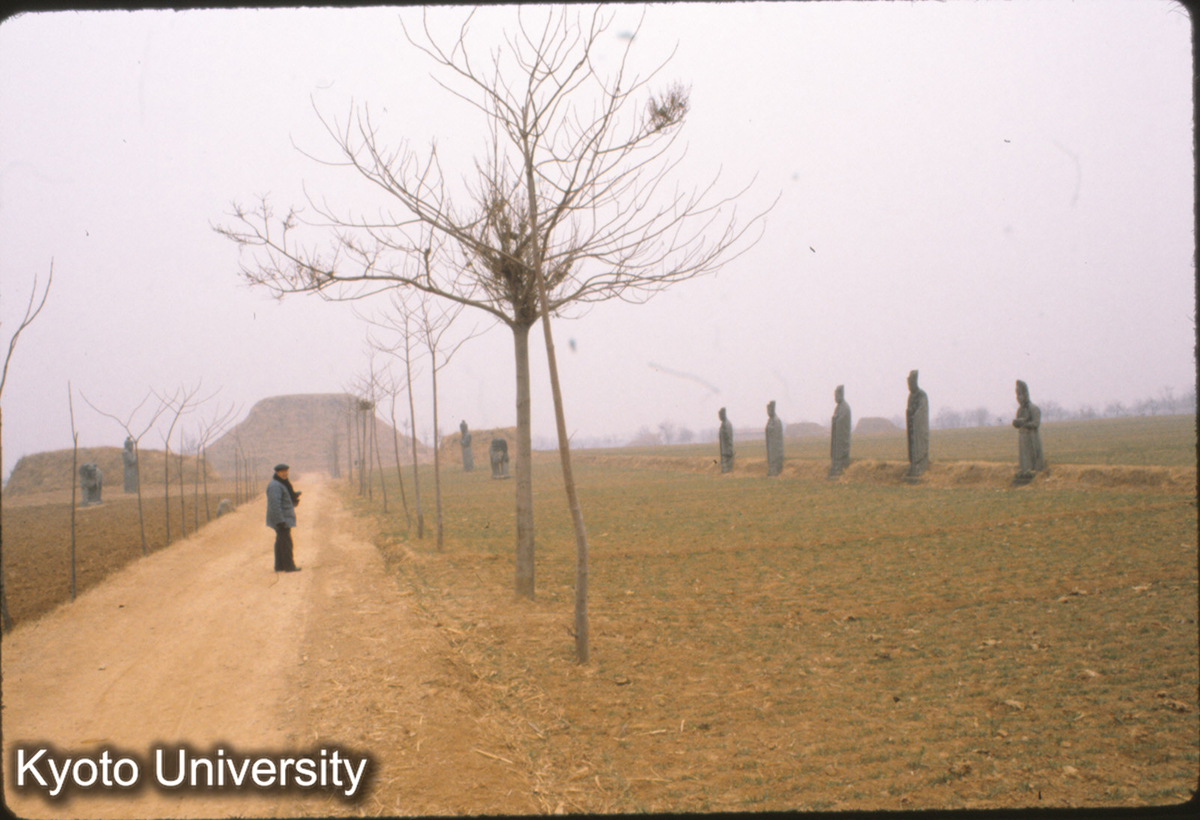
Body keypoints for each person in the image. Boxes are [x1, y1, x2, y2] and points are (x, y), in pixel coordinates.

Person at [266, 463, 301, 572]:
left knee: (281, 541)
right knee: (286, 542)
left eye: (286, 471)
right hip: (281, 519)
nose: (285, 473)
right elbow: (274, 505)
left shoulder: (282, 483)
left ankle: (280, 566)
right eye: (282, 471)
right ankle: (289, 566)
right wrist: (280, 520)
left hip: (283, 518)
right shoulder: (275, 485)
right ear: (277, 472)